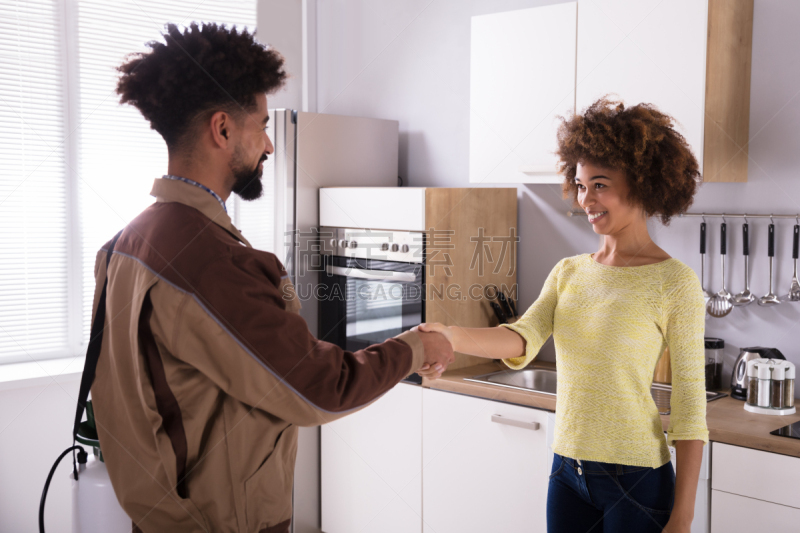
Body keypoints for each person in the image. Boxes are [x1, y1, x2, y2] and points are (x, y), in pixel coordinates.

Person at [90, 23, 454, 533]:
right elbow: (320, 389)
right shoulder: (208, 260)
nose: (269, 145)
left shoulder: (125, 244)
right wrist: (415, 346)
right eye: (261, 125)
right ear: (222, 130)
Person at [417, 98, 708, 533]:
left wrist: (683, 518)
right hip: (566, 472)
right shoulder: (569, 271)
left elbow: (689, 406)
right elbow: (521, 337)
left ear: (642, 183)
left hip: (637, 479)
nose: (585, 199)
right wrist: (448, 333)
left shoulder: (675, 283)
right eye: (580, 184)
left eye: (600, 185)